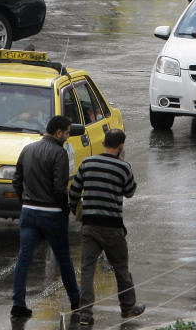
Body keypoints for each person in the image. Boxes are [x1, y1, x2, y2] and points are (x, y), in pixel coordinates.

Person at [68, 129, 145, 326]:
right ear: (121, 146)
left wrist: (75, 210)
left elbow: (74, 192)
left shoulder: (87, 163)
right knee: (120, 268)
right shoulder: (123, 167)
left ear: (103, 143)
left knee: (87, 269)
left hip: (90, 225)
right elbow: (130, 192)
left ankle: (85, 313)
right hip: (112, 227)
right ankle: (128, 308)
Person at [11, 115, 81, 319]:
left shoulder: (28, 149)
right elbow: (60, 188)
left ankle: (18, 304)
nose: (68, 136)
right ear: (58, 132)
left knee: (23, 259)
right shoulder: (59, 153)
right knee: (64, 259)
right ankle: (75, 300)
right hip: (52, 214)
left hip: (28, 212)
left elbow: (17, 181)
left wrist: (23, 202)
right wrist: (65, 209)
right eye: (67, 133)